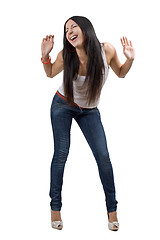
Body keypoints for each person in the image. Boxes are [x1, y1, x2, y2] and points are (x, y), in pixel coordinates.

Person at [41, 16, 135, 231]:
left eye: (73, 26)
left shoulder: (107, 50)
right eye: (66, 30)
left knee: (103, 156)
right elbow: (49, 73)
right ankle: (55, 210)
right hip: (62, 105)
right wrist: (45, 55)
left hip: (90, 111)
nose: (69, 32)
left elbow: (120, 73)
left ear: (86, 28)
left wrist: (129, 60)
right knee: (61, 154)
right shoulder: (66, 55)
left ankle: (112, 213)